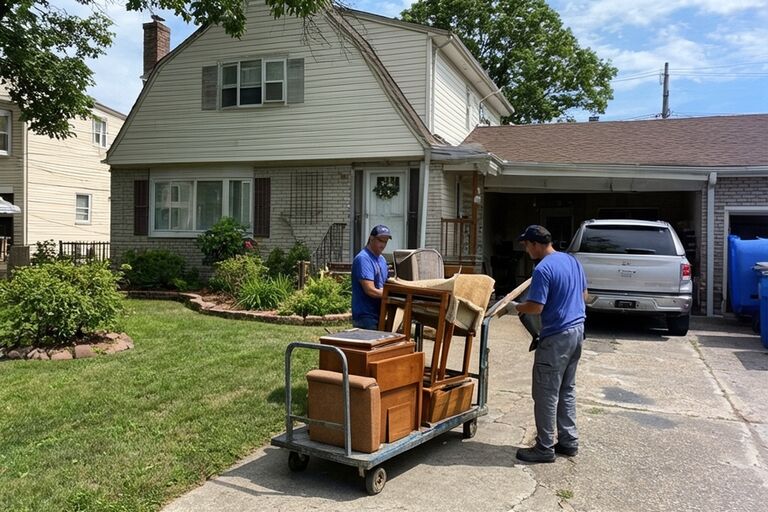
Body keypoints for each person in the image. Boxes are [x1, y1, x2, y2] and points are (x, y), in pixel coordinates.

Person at [507, 224, 588, 463]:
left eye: (526, 245)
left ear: (535, 244)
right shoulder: (572, 261)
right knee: (567, 389)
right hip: (577, 332)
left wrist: (515, 307)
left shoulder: (543, 269)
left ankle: (544, 447)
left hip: (557, 337)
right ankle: (568, 442)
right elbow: (584, 295)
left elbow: (536, 307)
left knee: (545, 393)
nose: (525, 250)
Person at [351, 224, 392, 329]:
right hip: (365, 317)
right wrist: (391, 295)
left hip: (379, 314)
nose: (383, 245)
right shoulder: (363, 259)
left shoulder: (382, 260)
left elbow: (385, 286)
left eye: (385, 242)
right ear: (371, 238)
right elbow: (370, 290)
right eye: (380, 241)